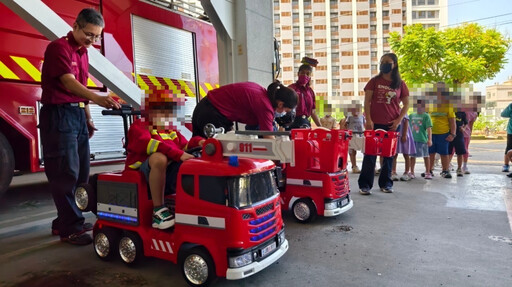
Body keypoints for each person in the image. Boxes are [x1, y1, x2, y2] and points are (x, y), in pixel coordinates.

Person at [38, 8, 120, 245]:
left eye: (97, 37)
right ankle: (70, 228)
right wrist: (98, 98)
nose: (93, 41)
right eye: (89, 35)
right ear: (75, 26)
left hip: (75, 115)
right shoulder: (58, 48)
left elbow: (81, 87)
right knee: (65, 172)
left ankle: (64, 220)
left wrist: (87, 116)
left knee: (82, 171)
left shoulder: (84, 52)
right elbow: (69, 82)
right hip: (58, 115)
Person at [126, 89, 204, 229]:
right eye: (168, 109)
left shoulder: (170, 131)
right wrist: (177, 155)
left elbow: (184, 146)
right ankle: (158, 211)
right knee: (159, 158)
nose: (172, 114)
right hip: (142, 175)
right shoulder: (139, 127)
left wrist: (199, 142)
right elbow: (151, 145)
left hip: (165, 173)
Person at [358, 53, 410, 195]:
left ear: (395, 64)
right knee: (370, 155)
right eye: (382, 62)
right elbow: (367, 102)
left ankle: (386, 183)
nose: (384, 64)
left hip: (392, 125)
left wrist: (398, 120)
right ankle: (365, 185)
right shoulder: (374, 81)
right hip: (374, 124)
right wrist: (368, 120)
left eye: (387, 62)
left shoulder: (400, 84)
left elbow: (406, 104)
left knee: (388, 156)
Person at [192, 81, 297, 138]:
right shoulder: (265, 107)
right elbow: (269, 138)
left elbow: (254, 128)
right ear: (280, 104)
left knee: (195, 146)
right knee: (215, 153)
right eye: (286, 111)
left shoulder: (261, 91)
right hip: (212, 115)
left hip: (204, 107)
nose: (284, 113)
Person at [427, 82, 456, 179]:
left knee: (444, 153)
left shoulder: (448, 106)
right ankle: (429, 170)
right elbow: (425, 119)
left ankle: (445, 170)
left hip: (443, 134)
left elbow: (452, 121)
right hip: (431, 134)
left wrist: (452, 134)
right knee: (430, 153)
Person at [287, 57, 321, 129]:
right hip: (292, 122)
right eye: (302, 73)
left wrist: (321, 127)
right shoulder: (291, 88)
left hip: (305, 123)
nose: (305, 75)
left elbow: (313, 112)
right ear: (298, 74)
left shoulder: (310, 92)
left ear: (310, 77)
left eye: (307, 74)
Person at [410, 100, 433, 179]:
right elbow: (408, 127)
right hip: (413, 140)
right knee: (412, 156)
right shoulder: (411, 115)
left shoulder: (426, 116)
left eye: (421, 106)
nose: (419, 108)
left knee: (426, 156)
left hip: (423, 140)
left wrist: (429, 139)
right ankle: (411, 172)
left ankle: (428, 172)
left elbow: (429, 129)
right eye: (417, 106)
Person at [340, 104, 365, 173]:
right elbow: (344, 125)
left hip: (360, 134)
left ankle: (367, 166)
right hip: (352, 135)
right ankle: (354, 166)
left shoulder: (362, 117)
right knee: (352, 151)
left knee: (364, 150)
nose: (356, 111)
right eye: (354, 109)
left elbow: (365, 125)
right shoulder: (349, 117)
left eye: (358, 109)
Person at [392, 115, 416, 181]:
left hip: (403, 135)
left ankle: (406, 172)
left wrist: (404, 135)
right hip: (395, 135)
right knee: (394, 154)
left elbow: (406, 122)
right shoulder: (393, 111)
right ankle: (393, 171)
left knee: (406, 154)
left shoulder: (403, 112)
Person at [449, 110, 468, 177]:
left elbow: (466, 123)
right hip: (449, 134)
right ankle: (446, 168)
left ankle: (459, 168)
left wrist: (463, 128)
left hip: (459, 135)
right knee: (448, 152)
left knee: (460, 153)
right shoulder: (449, 111)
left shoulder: (462, 113)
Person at [462, 110, 478, 174]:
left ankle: (464, 166)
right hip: (456, 133)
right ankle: (447, 166)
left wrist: (470, 133)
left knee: (465, 151)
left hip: (466, 134)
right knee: (451, 151)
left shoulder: (473, 113)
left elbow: (471, 124)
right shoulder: (457, 109)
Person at [501, 103, 512, 174]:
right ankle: (506, 165)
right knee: (509, 149)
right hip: (511, 131)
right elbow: (503, 114)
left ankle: (506, 165)